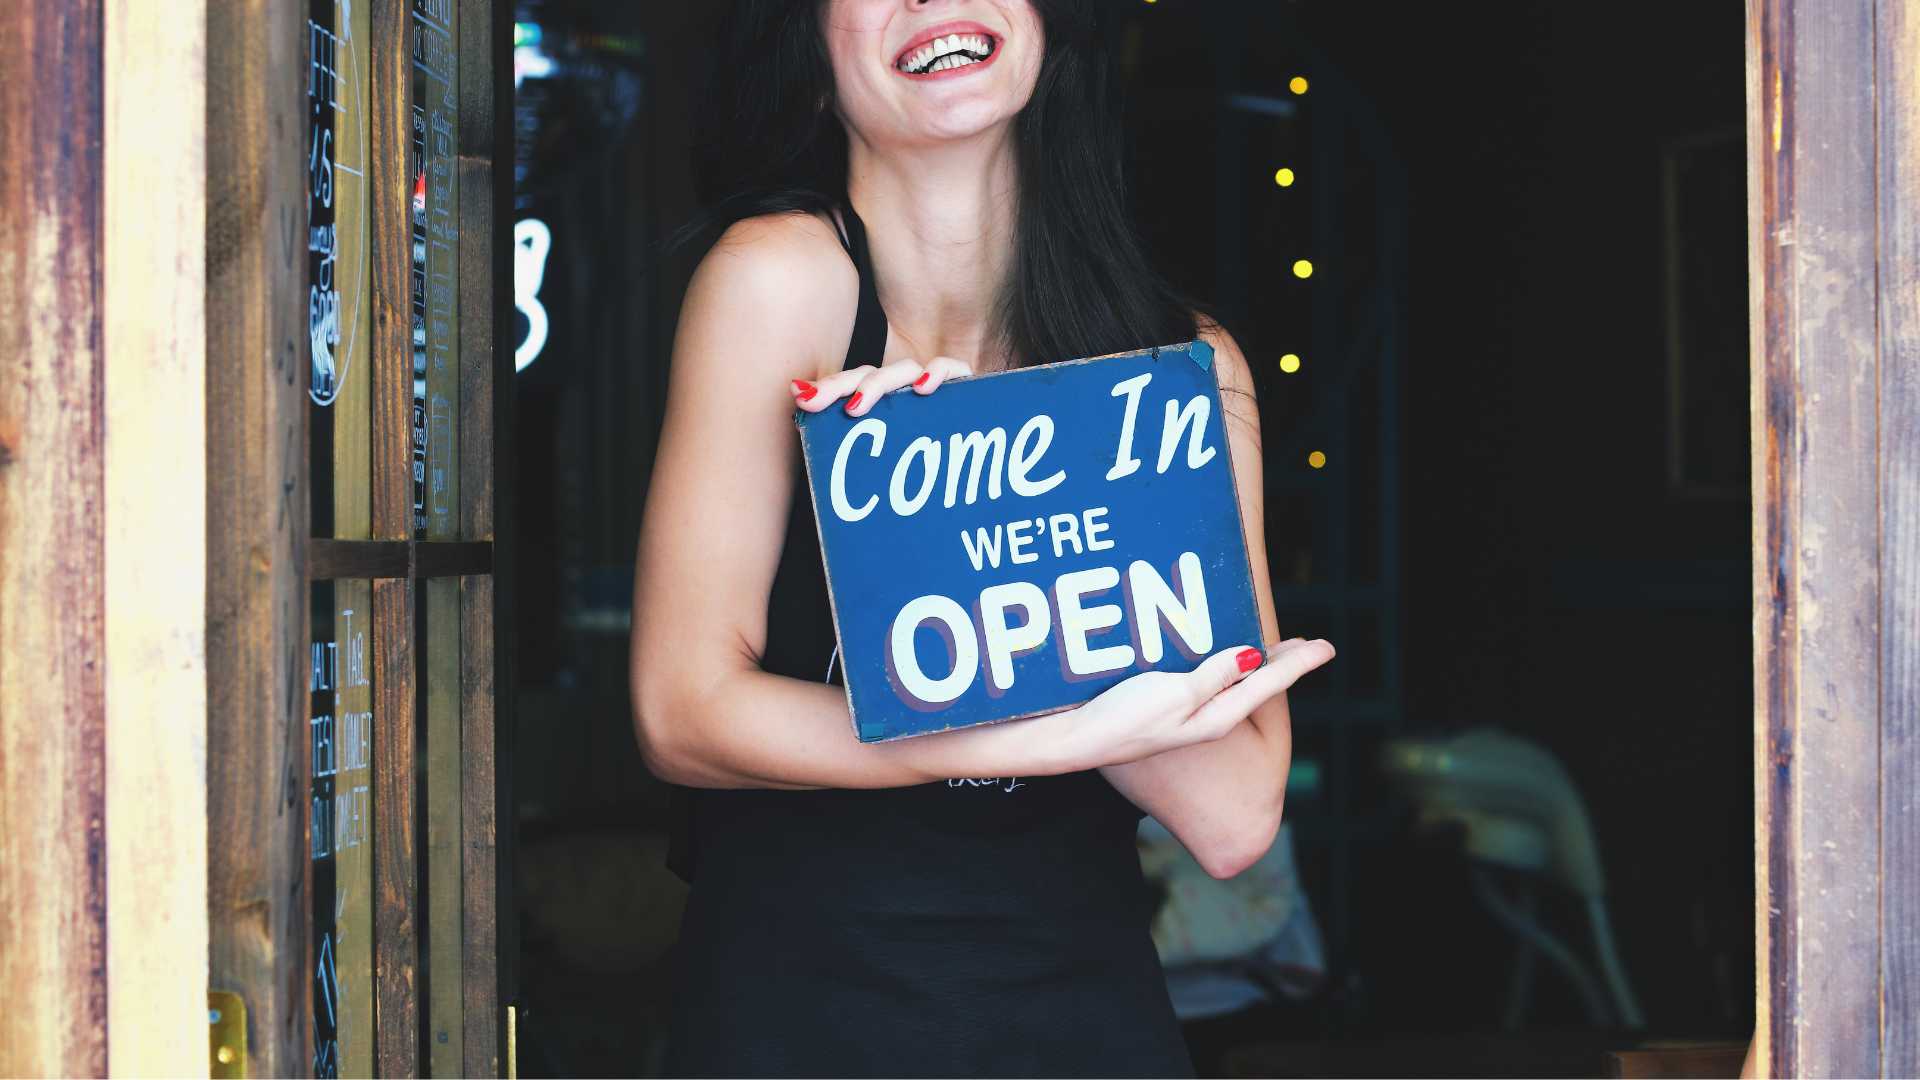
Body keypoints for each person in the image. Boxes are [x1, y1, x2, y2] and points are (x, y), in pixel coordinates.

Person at [629, 1, 1335, 1074]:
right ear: (811, 54)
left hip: (1085, 1024)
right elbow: (681, 713)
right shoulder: (780, 281)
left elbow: (1235, 816)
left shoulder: (1184, 370)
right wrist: (1027, 733)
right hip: (805, 1019)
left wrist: (996, 521)